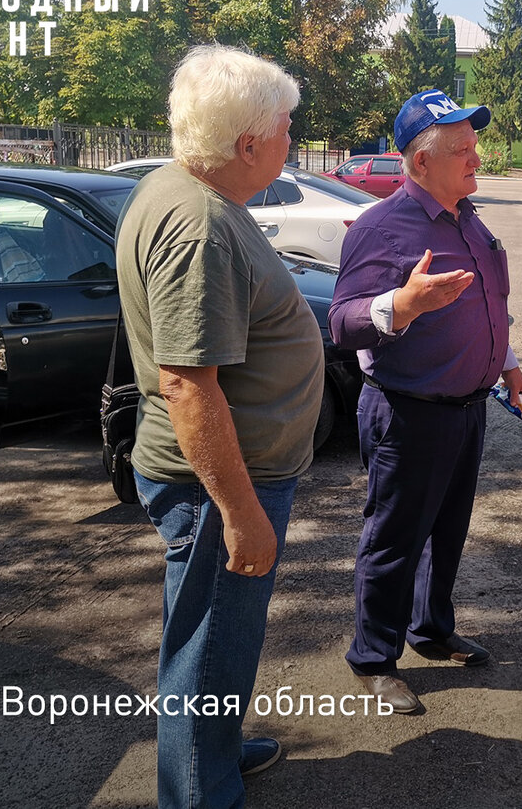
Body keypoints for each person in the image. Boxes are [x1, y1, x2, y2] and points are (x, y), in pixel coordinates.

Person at [115, 45, 324, 808]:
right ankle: (201, 790)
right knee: (207, 649)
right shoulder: (198, 224)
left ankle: (216, 747)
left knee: (216, 640)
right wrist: (238, 514)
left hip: (226, 478)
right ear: (247, 143)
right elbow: (186, 386)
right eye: (287, 127)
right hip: (217, 487)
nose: (292, 140)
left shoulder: (191, 193)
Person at [329, 89, 522, 713]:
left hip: (468, 407)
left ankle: (430, 629)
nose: (477, 160)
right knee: (394, 540)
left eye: (475, 147)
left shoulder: (467, 218)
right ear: (419, 162)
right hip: (408, 412)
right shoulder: (380, 227)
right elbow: (340, 324)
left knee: (447, 532)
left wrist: (508, 365)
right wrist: (404, 304)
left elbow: (485, 305)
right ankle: (372, 657)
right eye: (461, 151)